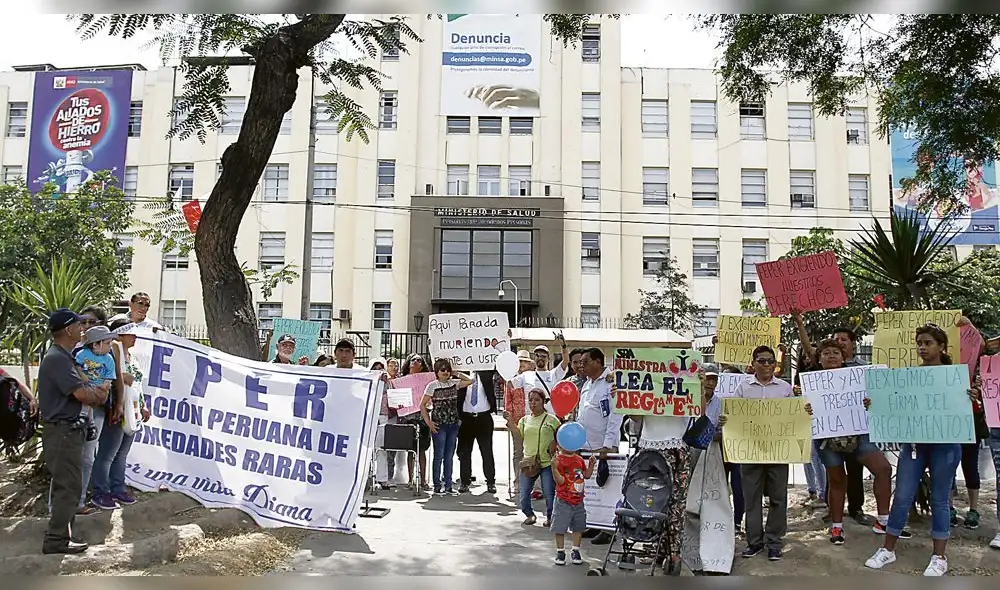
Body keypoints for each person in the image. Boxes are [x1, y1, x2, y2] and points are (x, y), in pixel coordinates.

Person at [864, 324, 973, 576]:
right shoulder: (910, 375)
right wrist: (875, 403)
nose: (922, 348)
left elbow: (968, 408)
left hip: (945, 446)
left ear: (941, 346)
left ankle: (939, 556)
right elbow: (895, 405)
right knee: (902, 495)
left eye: (928, 343)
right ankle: (888, 550)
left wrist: (971, 397)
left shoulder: (954, 377)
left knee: (940, 499)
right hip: (913, 445)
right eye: (919, 343)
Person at [803, 339, 894, 546]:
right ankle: (836, 527)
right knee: (837, 481)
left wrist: (870, 402)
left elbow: (879, 399)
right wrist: (805, 407)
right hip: (827, 439)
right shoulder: (811, 383)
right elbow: (801, 412)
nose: (832, 355)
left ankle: (883, 521)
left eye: (836, 352)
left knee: (883, 469)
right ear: (820, 359)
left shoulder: (859, 379)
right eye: (826, 353)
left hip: (859, 435)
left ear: (844, 357)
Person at [38, 309, 111, 554]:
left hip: (68, 431)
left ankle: (62, 537)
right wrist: (98, 395)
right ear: (68, 330)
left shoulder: (64, 356)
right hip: (63, 432)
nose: (83, 329)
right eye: (79, 325)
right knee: (68, 488)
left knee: (69, 486)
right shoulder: (58, 358)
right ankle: (56, 541)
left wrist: (96, 395)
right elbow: (80, 393)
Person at [628, 358, 705, 575]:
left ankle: (673, 552)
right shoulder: (647, 385)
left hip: (676, 449)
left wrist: (698, 386)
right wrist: (622, 394)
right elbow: (636, 415)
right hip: (648, 450)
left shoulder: (687, 385)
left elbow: (698, 411)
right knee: (649, 502)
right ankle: (655, 547)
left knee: (676, 504)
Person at [794, 312, 869, 523]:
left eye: (843, 340)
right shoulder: (820, 369)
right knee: (833, 474)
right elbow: (810, 350)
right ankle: (832, 509)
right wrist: (800, 323)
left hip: (854, 429)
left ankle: (856, 509)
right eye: (835, 341)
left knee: (855, 471)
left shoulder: (861, 369)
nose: (838, 345)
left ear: (851, 345)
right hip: (828, 431)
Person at [720, 345, 793, 562]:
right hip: (750, 452)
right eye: (762, 361)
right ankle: (754, 542)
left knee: (778, 498)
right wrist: (726, 420)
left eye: (771, 361)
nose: (767, 365)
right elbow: (732, 415)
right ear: (753, 364)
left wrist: (804, 411)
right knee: (751, 499)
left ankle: (774, 542)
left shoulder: (785, 388)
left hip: (778, 452)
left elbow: (794, 418)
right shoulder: (743, 389)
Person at [91, 321, 151, 509]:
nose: (135, 337)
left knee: (122, 453)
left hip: (131, 410)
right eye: (130, 333)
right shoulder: (109, 355)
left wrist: (143, 405)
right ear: (119, 335)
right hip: (117, 408)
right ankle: (100, 491)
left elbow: (137, 385)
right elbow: (108, 378)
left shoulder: (133, 358)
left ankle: (118, 488)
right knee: (108, 453)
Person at [576, 347, 623, 545]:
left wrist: (607, 444)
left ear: (597, 361)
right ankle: (594, 523)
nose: (581, 366)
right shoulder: (587, 383)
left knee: (607, 488)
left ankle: (608, 529)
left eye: (585, 362)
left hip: (603, 446)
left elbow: (615, 415)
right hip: (586, 445)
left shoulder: (610, 382)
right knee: (592, 489)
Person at [74, 326, 118, 512]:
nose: (110, 346)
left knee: (88, 457)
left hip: (98, 408)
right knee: (73, 455)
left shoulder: (108, 359)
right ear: (96, 343)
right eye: (107, 343)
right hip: (78, 407)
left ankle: (81, 501)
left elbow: (108, 383)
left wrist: (95, 389)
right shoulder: (80, 355)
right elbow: (75, 373)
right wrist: (90, 387)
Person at [421, 359, 474, 494]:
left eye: (447, 369)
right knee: (439, 455)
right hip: (439, 424)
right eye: (442, 370)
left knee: (449, 455)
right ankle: (437, 485)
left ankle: (449, 485)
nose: (445, 372)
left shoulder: (454, 383)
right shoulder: (432, 386)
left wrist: (457, 373)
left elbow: (470, 381)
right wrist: (429, 422)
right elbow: (422, 405)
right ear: (436, 372)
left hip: (453, 423)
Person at [508, 388, 558, 526]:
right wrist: (511, 422)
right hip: (529, 462)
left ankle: (550, 517)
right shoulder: (525, 420)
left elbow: (560, 436)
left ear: (543, 402)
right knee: (524, 495)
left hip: (547, 463)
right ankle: (529, 514)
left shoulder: (552, 420)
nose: (533, 403)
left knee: (549, 493)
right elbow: (518, 435)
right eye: (530, 400)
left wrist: (554, 444)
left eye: (537, 400)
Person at [551, 433, 598, 566]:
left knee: (578, 527)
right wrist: (554, 468)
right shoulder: (559, 460)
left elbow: (586, 476)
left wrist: (591, 465)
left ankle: (575, 550)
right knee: (560, 527)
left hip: (578, 500)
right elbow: (560, 481)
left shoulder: (579, 459)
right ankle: (560, 551)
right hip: (563, 500)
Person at [457, 370, 498, 494]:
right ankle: (465, 481)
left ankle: (490, 481)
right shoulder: (460, 372)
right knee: (465, 451)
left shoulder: (486, 372)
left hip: (483, 417)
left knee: (486, 451)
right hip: (466, 418)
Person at [509, 335, 571, 413]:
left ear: (548, 359)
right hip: (531, 419)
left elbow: (565, 362)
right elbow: (509, 384)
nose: (540, 358)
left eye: (543, 356)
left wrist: (564, 347)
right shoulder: (526, 375)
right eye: (538, 355)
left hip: (549, 418)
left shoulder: (554, 374)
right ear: (534, 358)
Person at [501, 350, 534, 494]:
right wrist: (509, 419)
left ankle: (533, 483)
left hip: (532, 421)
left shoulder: (532, 379)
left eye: (524, 363)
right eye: (519, 362)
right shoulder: (510, 381)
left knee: (533, 453)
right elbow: (508, 401)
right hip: (517, 422)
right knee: (518, 453)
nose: (522, 365)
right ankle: (518, 482)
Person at [398, 354, 432, 490]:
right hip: (408, 418)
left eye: (419, 360)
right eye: (413, 360)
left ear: (423, 365)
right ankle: (411, 480)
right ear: (409, 363)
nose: (416, 362)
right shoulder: (401, 381)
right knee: (410, 451)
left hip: (422, 419)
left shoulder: (427, 381)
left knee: (422, 450)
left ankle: (423, 480)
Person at [721, 366, 746, 537]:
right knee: (720, 488)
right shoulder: (715, 401)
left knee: (739, 487)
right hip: (719, 448)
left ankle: (737, 522)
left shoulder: (746, 400)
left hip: (739, 448)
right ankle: (721, 522)